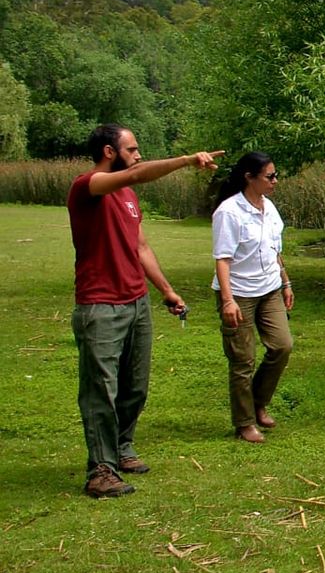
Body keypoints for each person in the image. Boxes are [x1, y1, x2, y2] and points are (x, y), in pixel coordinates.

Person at [68, 124, 222, 498]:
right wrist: (187, 160)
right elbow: (137, 172)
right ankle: (100, 471)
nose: (138, 155)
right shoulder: (87, 186)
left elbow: (141, 248)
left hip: (136, 302)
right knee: (100, 389)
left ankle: (120, 449)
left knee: (134, 386)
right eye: (132, 148)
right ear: (109, 151)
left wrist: (166, 290)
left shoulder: (127, 197)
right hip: (100, 305)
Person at [212, 152, 294, 444]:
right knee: (243, 360)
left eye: (275, 175)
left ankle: (258, 402)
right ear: (250, 178)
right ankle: (244, 422)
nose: (275, 181)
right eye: (269, 176)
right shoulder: (229, 212)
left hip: (269, 287)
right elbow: (222, 260)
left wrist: (286, 282)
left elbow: (275, 250)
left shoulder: (269, 208)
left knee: (282, 346)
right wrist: (228, 300)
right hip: (240, 292)